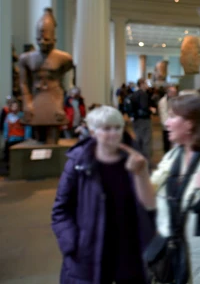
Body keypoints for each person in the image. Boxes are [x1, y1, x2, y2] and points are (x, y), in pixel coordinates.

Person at [128, 94, 200, 283]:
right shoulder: (174, 155)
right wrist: (140, 174)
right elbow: (149, 202)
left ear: (191, 122)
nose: (166, 123)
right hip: (177, 263)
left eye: (173, 116)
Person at [51, 105, 155, 284]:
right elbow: (61, 209)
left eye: (118, 128)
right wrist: (71, 243)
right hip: (90, 249)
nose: (113, 133)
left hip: (129, 248)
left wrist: (142, 173)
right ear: (93, 132)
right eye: (106, 129)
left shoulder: (136, 160)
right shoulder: (79, 164)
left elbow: (150, 206)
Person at [125, 79, 156, 160]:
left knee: (139, 139)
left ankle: (139, 159)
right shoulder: (143, 94)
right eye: (146, 83)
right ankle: (146, 161)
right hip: (144, 120)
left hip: (136, 119)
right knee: (146, 141)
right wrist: (151, 109)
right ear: (141, 84)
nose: (147, 85)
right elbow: (144, 107)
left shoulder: (134, 94)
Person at [3, 100, 32, 165]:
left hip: (20, 139)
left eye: (16, 106)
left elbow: (27, 127)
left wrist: (27, 137)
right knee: (10, 156)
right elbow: (6, 127)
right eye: (13, 106)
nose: (14, 108)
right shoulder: (8, 116)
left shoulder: (22, 115)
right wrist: (6, 137)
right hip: (11, 139)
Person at [158, 85, 178, 152]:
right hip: (167, 126)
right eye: (174, 92)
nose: (175, 93)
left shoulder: (175, 99)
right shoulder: (163, 101)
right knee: (167, 143)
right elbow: (163, 115)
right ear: (169, 93)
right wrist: (168, 125)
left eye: (175, 92)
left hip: (175, 124)